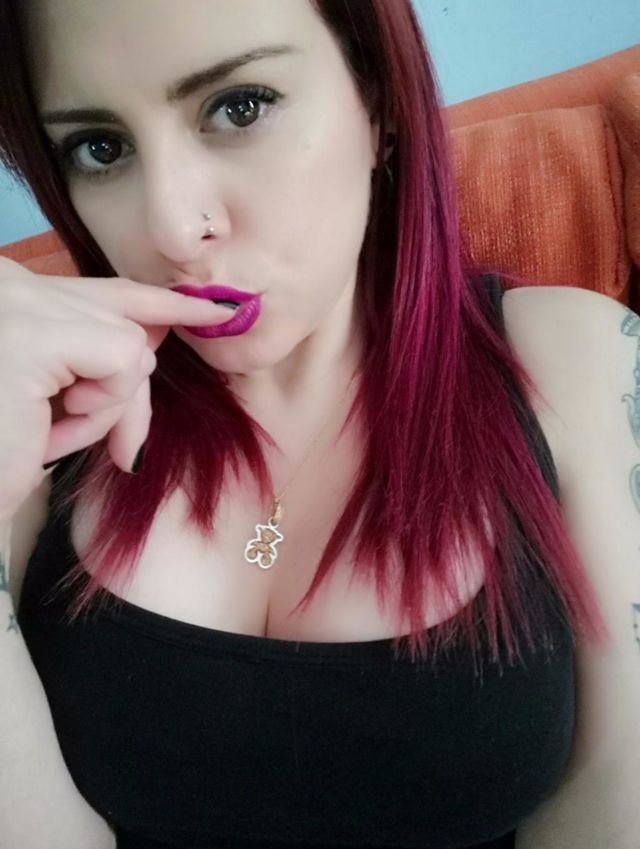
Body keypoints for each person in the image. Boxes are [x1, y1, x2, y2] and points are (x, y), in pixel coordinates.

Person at [0, 1, 636, 848]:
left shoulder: (579, 361)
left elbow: (611, 801)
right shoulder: (37, 412)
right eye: (100, 148)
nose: (172, 230)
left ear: (377, 102)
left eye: (239, 107)